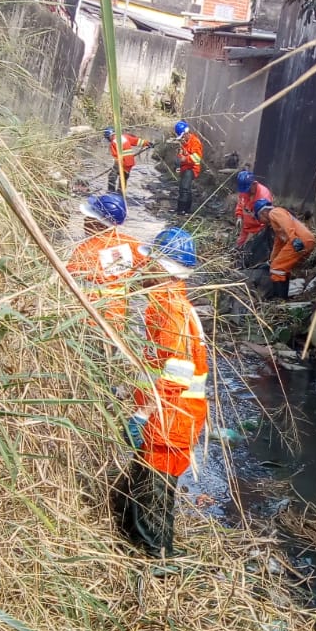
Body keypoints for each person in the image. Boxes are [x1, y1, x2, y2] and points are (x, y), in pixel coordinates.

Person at [115, 228, 209, 559]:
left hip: (170, 419)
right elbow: (161, 364)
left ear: (161, 266)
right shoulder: (175, 301)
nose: (144, 268)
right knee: (145, 489)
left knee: (154, 497)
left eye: (150, 262)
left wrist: (141, 415)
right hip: (178, 414)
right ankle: (146, 547)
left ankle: (158, 559)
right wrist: (131, 388)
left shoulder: (167, 307)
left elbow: (175, 372)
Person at [65, 193, 147, 329]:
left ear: (98, 223)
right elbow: (150, 271)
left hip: (90, 321)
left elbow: (66, 284)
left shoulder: (85, 251)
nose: (84, 220)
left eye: (89, 217)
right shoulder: (131, 244)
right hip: (119, 318)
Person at [252, 199, 316, 299]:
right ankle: (283, 298)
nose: (261, 222)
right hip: (306, 241)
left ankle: (280, 300)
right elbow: (278, 243)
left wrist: (294, 238)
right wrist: (271, 260)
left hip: (299, 240)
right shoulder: (275, 224)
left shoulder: (274, 212)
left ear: (263, 212)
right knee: (281, 268)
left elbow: (286, 223)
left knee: (277, 268)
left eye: (259, 218)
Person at [233, 169, 273, 250]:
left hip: (257, 230)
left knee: (248, 250)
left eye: (247, 190)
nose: (246, 193)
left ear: (254, 184)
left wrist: (254, 234)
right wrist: (239, 216)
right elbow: (241, 203)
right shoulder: (245, 190)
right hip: (246, 228)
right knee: (238, 248)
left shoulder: (263, 196)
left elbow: (266, 220)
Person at [104, 126, 150, 191]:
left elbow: (116, 156)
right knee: (123, 179)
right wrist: (147, 143)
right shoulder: (124, 137)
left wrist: (115, 167)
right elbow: (137, 141)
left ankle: (111, 193)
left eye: (107, 137)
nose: (108, 139)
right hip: (129, 163)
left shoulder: (113, 142)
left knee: (111, 177)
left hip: (122, 162)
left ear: (110, 135)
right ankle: (121, 194)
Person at [173, 119, 204, 215]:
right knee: (187, 189)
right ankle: (187, 209)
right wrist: (178, 163)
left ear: (187, 133)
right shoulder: (184, 142)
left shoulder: (195, 142)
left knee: (184, 189)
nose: (181, 139)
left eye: (182, 137)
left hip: (192, 169)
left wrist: (184, 159)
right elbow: (180, 155)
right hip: (185, 168)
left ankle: (181, 210)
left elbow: (197, 158)